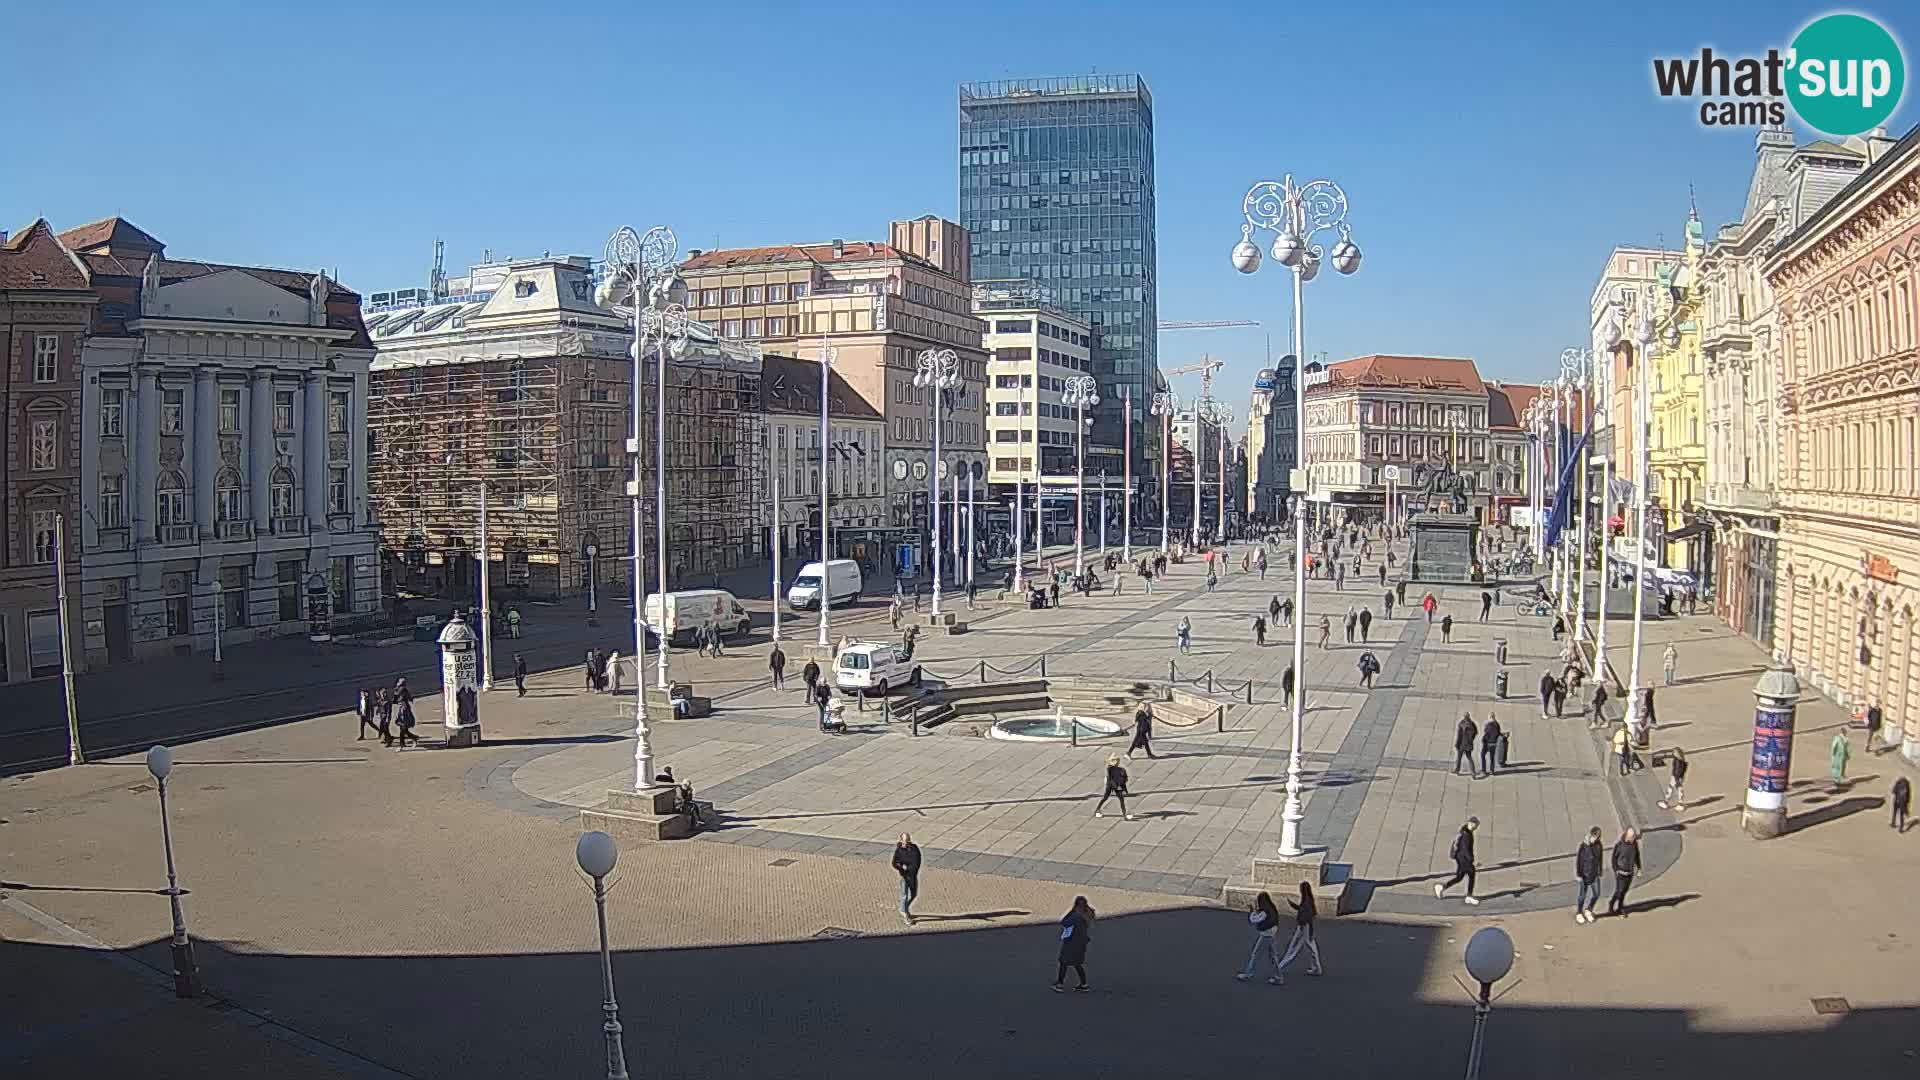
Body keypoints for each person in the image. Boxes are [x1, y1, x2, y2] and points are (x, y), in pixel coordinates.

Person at [1277, 881, 1325, 978]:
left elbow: (1307, 916)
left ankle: (1279, 967)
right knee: (1311, 948)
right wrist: (1294, 905)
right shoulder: (1308, 900)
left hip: (1303, 927)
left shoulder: (1306, 901)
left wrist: (1308, 930)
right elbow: (1305, 911)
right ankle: (1317, 968)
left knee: (1294, 948)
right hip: (1306, 927)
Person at [1236, 891, 1284, 984]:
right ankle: (1279, 977)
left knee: (1255, 954)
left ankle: (1248, 973)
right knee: (1273, 956)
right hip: (1272, 934)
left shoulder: (1264, 913)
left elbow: (1254, 920)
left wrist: (1252, 910)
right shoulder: (1272, 908)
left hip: (1266, 935)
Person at [1052, 896, 1095, 992]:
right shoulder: (1086, 914)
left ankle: (1060, 984)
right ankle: (1084, 984)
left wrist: (1071, 912)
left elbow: (1064, 922)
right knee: (1077, 963)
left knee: (1064, 962)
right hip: (1082, 943)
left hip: (1071, 942)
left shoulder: (1075, 916)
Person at [1435, 816, 1480, 905]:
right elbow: (1466, 849)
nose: (1476, 827)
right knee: (1471, 874)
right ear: (1471, 824)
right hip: (1464, 859)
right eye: (1475, 825)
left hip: (1460, 858)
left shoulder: (1465, 831)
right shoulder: (1466, 835)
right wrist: (1471, 860)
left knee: (1459, 877)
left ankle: (1442, 887)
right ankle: (1469, 896)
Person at [1607, 827, 1641, 917]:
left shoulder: (1634, 844)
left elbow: (1637, 855)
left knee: (1624, 891)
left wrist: (1639, 867)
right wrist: (1616, 870)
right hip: (1621, 872)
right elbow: (1614, 858)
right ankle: (1611, 904)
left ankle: (1620, 907)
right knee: (1619, 891)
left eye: (1634, 837)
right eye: (1633, 837)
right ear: (1628, 836)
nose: (1634, 838)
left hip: (1630, 872)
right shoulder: (1619, 845)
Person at [1574, 826, 1605, 924]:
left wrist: (1600, 870)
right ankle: (1579, 912)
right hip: (1584, 875)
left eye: (1598, 837)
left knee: (1597, 894)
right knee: (1582, 896)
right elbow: (1579, 861)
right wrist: (1579, 875)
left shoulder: (1599, 845)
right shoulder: (1583, 846)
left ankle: (1588, 909)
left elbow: (1600, 858)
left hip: (1594, 874)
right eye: (1596, 837)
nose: (1597, 839)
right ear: (1591, 835)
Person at [892, 833, 922, 925]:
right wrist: (901, 867)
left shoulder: (914, 849)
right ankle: (906, 915)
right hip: (904, 876)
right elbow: (894, 863)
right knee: (904, 895)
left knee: (914, 894)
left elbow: (917, 861)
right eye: (905, 840)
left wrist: (909, 868)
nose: (907, 842)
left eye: (908, 840)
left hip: (912, 875)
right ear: (901, 840)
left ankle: (903, 908)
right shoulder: (899, 850)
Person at [1094, 755, 1132, 820]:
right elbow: (1110, 780)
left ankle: (1124, 814)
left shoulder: (1121, 770)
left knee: (1121, 800)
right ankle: (1097, 809)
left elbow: (1124, 779)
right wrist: (1118, 787)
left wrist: (1123, 787)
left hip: (1116, 786)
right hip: (1111, 786)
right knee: (1106, 797)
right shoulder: (1110, 769)